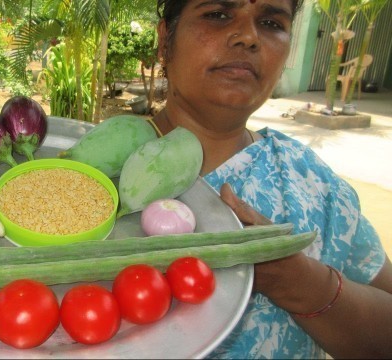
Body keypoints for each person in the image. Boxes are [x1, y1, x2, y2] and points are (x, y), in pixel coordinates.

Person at [153, 0, 392, 358]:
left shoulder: (313, 182)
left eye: (270, 22)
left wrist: (299, 281)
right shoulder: (84, 177)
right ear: (165, 40)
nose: (249, 37)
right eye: (218, 14)